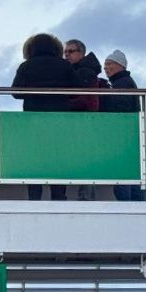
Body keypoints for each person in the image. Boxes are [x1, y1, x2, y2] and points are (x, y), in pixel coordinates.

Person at [11, 33, 81, 200]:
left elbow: (15, 92)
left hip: (33, 121)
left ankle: (35, 196)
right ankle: (59, 195)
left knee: (34, 159)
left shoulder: (26, 66)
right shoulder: (64, 65)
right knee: (59, 158)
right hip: (60, 120)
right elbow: (77, 89)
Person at [64, 39, 106, 200]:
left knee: (84, 158)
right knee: (83, 158)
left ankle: (86, 197)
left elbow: (86, 99)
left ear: (81, 53)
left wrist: (63, 103)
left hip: (84, 121)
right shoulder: (79, 70)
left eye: (71, 51)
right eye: (65, 52)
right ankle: (86, 195)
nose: (67, 55)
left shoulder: (85, 71)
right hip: (82, 120)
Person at [101, 49, 144, 201]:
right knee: (133, 174)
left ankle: (127, 205)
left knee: (122, 175)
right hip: (131, 135)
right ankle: (138, 206)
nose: (105, 68)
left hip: (122, 135)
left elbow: (119, 109)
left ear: (120, 65)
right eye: (105, 65)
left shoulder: (122, 84)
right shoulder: (124, 82)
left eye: (109, 64)